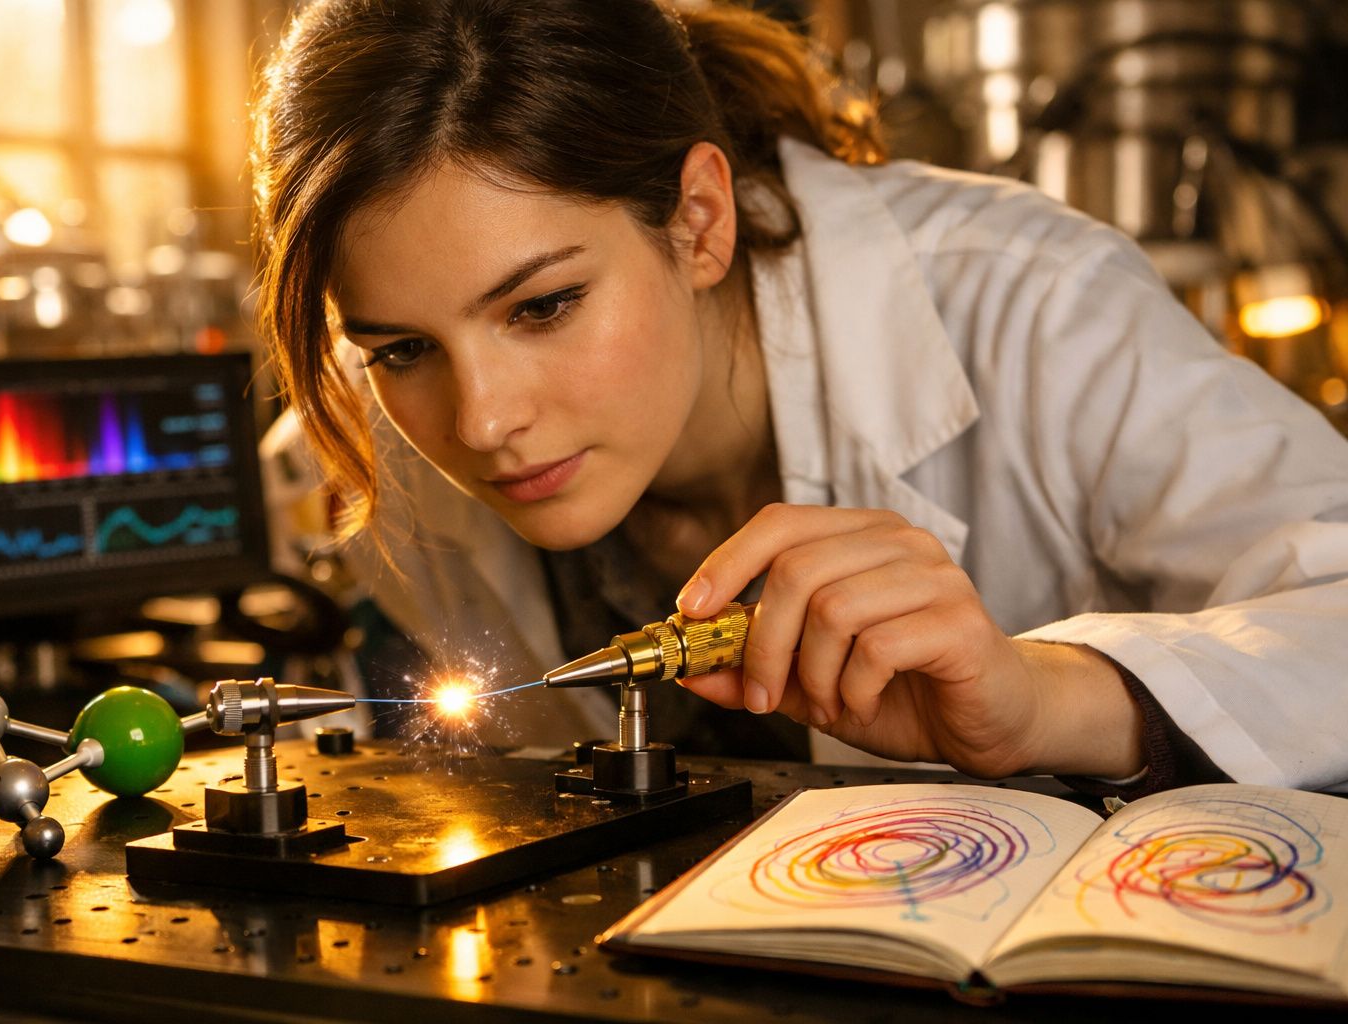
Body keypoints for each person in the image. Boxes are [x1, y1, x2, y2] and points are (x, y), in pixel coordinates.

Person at [250, 0, 1348, 794]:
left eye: (542, 306)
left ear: (698, 221)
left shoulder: (1028, 300)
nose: (481, 421)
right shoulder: (375, 425)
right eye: (399, 349)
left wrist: (1040, 698)